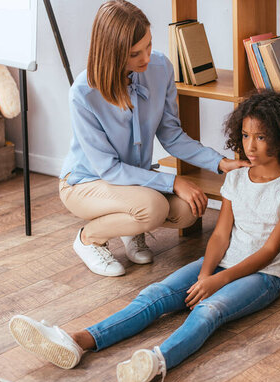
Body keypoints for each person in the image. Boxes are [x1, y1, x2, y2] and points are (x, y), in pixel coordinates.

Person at [10, 90, 280, 382]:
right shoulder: (237, 176)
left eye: (261, 137)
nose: (250, 146)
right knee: (154, 295)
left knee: (209, 311)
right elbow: (221, 234)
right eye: (245, 135)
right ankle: (79, 340)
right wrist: (204, 274)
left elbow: (269, 251)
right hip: (218, 264)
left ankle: (158, 361)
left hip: (262, 277)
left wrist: (217, 282)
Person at [58, 0, 249, 277]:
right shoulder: (83, 93)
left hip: (132, 181)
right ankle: (89, 238)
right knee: (153, 207)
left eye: (148, 45)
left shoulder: (160, 67)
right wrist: (173, 181)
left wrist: (219, 163)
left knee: (188, 209)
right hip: (86, 182)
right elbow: (109, 169)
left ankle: (130, 227)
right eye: (136, 53)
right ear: (112, 54)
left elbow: (171, 135)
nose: (147, 57)